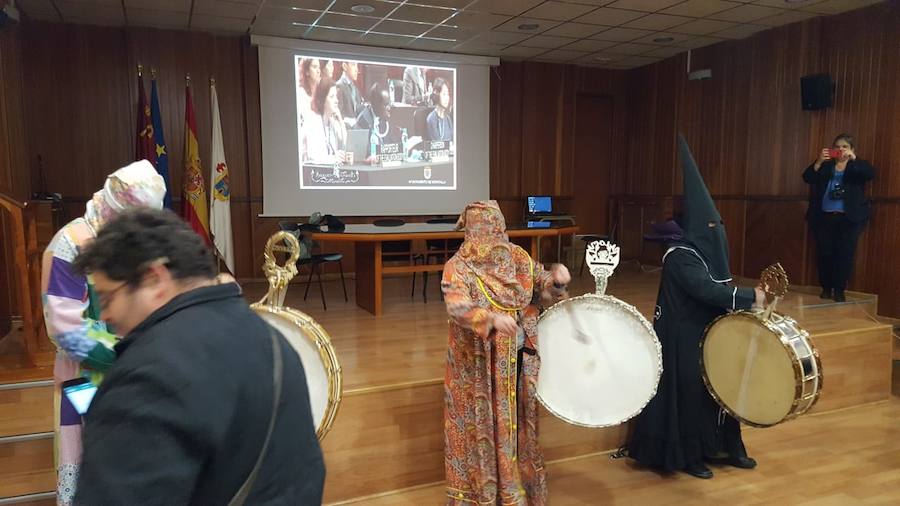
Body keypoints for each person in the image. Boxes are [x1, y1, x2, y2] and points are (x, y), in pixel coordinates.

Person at [71, 209, 325, 504]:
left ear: (154, 278)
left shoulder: (146, 376)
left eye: (107, 297)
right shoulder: (274, 339)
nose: (104, 315)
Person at [627, 136, 766, 479]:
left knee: (723, 390)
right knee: (690, 393)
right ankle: (689, 456)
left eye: (718, 225)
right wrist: (750, 297)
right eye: (710, 226)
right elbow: (706, 290)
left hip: (711, 332)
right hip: (683, 336)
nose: (716, 231)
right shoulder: (680, 257)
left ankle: (725, 446)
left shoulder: (706, 254)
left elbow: (719, 285)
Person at [40, 160, 165, 506]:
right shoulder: (71, 243)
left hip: (138, 372)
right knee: (92, 456)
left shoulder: (136, 241)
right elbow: (63, 327)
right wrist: (129, 351)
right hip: (82, 377)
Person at [441, 200, 570, 505]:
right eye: (484, 230)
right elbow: (457, 305)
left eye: (496, 229)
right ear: (471, 231)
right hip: (479, 369)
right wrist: (490, 319)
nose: (491, 238)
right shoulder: (457, 266)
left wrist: (558, 280)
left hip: (519, 362)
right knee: (483, 427)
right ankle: (485, 495)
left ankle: (517, 491)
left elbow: (545, 286)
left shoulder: (518, 258)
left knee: (519, 424)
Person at [802, 133, 875, 302]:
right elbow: (807, 178)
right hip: (825, 217)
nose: (840, 149)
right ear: (832, 150)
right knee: (824, 253)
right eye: (837, 147)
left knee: (845, 254)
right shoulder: (826, 166)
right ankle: (826, 288)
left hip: (849, 219)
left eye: (845, 146)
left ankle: (840, 290)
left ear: (851, 150)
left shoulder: (856, 167)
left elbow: (870, 174)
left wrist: (854, 160)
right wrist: (819, 161)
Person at [301, 79, 348, 164]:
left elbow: (345, 144)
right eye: (332, 97)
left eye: (336, 96)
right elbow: (314, 157)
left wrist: (340, 121)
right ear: (322, 100)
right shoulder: (313, 121)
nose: (336, 101)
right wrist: (333, 158)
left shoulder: (331, 121)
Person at [356, 83, 401, 160]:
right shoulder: (363, 121)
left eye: (389, 103)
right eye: (385, 104)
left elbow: (395, 145)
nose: (389, 108)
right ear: (375, 104)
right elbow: (365, 153)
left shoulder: (385, 119)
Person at [336, 61, 363, 128]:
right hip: (346, 130)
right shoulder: (339, 86)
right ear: (345, 66)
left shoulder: (355, 89)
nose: (357, 69)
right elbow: (338, 114)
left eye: (357, 65)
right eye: (353, 65)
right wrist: (348, 121)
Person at [426, 77, 453, 142]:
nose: (447, 98)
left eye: (448, 94)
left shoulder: (448, 118)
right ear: (437, 94)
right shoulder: (431, 119)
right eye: (444, 94)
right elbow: (437, 145)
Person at [297, 57, 321, 127]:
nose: (318, 71)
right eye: (314, 67)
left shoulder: (320, 93)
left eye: (319, 67)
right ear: (307, 71)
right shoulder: (301, 94)